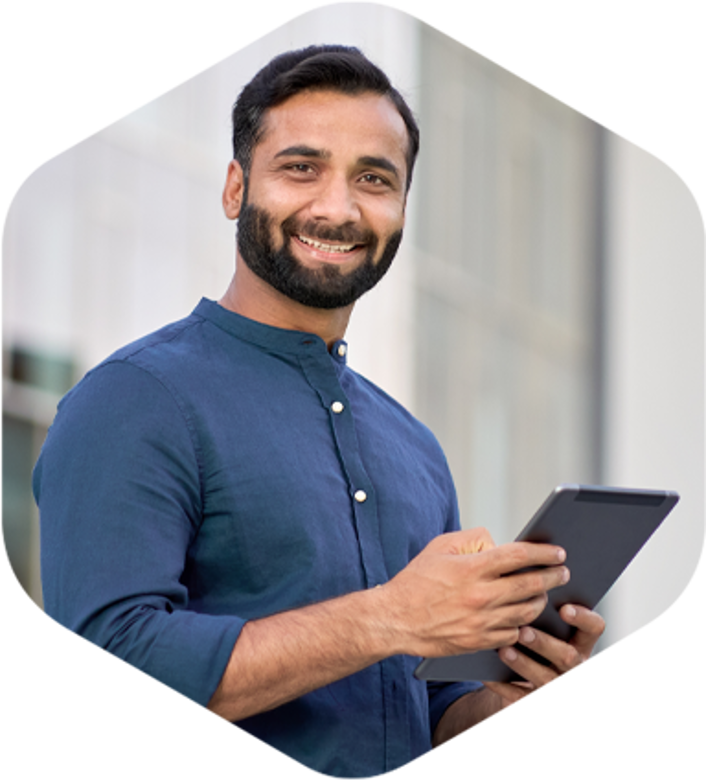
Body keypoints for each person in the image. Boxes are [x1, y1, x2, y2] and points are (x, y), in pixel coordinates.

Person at [33, 45, 605, 780]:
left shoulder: (414, 447)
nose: (337, 208)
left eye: (374, 178)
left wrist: (526, 698)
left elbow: (419, 716)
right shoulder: (135, 399)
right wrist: (390, 615)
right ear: (236, 188)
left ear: (401, 208)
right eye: (301, 167)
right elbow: (104, 673)